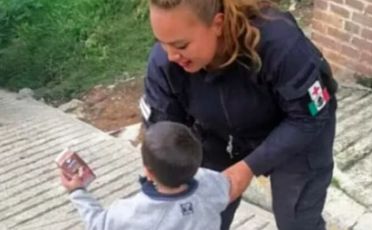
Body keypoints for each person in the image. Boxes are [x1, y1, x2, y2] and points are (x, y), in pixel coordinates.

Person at [141, 0, 338, 229]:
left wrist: (247, 168)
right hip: (218, 133)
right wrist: (161, 169)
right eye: (162, 43)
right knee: (200, 216)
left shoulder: (282, 44)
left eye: (181, 45)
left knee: (296, 221)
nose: (171, 55)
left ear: (218, 24)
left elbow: (309, 117)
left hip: (297, 128)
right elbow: (164, 133)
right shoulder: (165, 62)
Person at [59, 121, 238, 230]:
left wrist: (78, 191)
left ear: (148, 171)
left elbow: (98, 224)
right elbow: (226, 188)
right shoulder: (213, 181)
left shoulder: (133, 212)